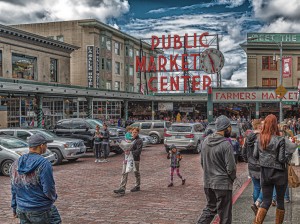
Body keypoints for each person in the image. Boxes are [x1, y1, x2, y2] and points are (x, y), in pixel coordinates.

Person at [10, 133, 61, 224]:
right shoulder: (44, 164)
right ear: (41, 146)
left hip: (22, 208)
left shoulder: (16, 163)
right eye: (46, 145)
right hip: (40, 208)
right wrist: (52, 198)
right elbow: (49, 189)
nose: (46, 147)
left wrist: (14, 206)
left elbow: (14, 188)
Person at [197, 115, 236, 224]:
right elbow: (231, 168)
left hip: (208, 182)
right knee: (225, 216)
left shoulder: (205, 141)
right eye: (230, 127)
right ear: (226, 128)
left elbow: (202, 162)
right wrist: (231, 179)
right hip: (223, 184)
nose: (231, 129)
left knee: (210, 209)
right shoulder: (226, 144)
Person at [253, 114, 288, 224]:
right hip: (279, 174)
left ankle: (256, 222)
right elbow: (281, 159)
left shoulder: (260, 139)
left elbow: (255, 155)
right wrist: (288, 155)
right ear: (275, 125)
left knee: (266, 201)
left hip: (265, 173)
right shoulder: (280, 139)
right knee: (280, 201)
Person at [241, 119, 262, 215]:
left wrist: (247, 160)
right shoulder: (261, 137)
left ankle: (255, 205)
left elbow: (243, 152)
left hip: (252, 166)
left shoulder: (248, 137)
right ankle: (257, 204)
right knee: (265, 187)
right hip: (261, 165)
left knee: (256, 187)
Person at [114, 127, 143, 195]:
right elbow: (126, 147)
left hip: (135, 159)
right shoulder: (130, 140)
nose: (134, 133)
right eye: (133, 132)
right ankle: (122, 188)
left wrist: (130, 152)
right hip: (127, 158)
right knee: (124, 172)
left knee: (136, 172)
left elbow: (139, 151)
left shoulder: (139, 140)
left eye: (135, 132)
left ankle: (137, 185)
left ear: (138, 133)